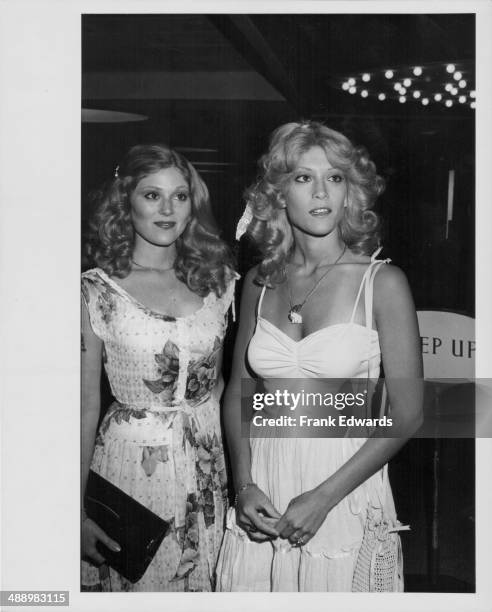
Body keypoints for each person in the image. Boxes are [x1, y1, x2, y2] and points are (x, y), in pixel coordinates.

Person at [215, 121, 423, 591]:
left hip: (343, 484)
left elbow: (408, 415)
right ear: (278, 194)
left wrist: (323, 498)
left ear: (351, 190)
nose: (321, 191)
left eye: (335, 177)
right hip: (265, 481)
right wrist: (244, 485)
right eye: (303, 178)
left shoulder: (382, 283)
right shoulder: (258, 282)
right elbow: (237, 396)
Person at [81, 144, 237, 591]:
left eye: (180, 195)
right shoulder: (95, 292)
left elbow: (220, 385)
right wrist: (76, 512)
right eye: (152, 195)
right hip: (129, 470)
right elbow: (83, 407)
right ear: (125, 200)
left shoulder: (219, 282)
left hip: (207, 466)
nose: (168, 208)